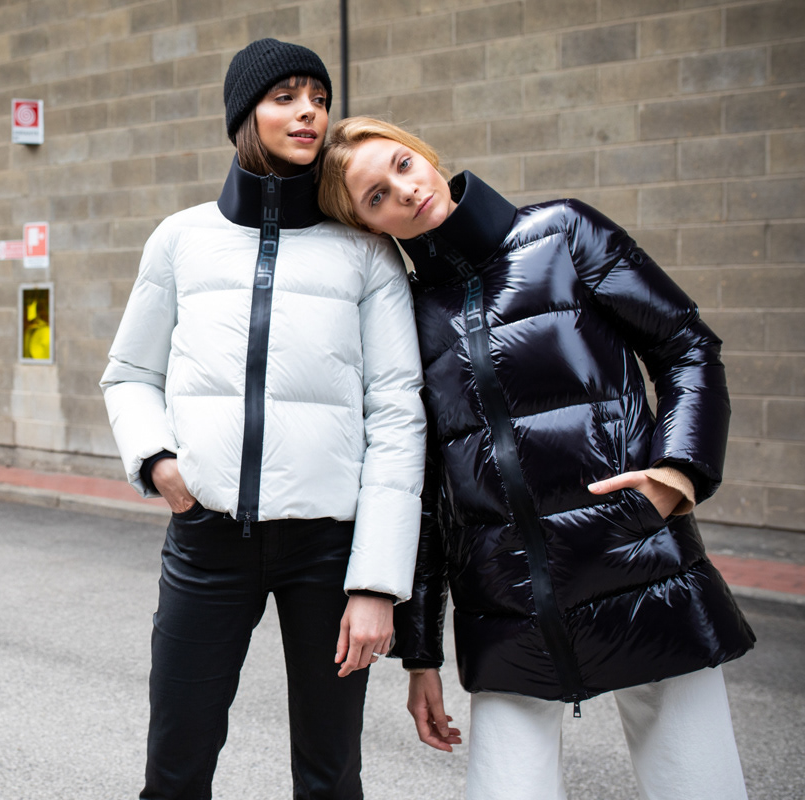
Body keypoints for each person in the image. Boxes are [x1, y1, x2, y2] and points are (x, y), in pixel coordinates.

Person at [317, 116, 756, 800]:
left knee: (700, 788)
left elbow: (687, 347)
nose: (403, 191)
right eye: (375, 197)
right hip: (505, 605)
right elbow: (425, 490)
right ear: (368, 227)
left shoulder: (564, 233)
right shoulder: (407, 311)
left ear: (424, 155)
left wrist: (677, 474)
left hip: (639, 562)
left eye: (402, 165)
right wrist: (421, 655)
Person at [101, 43, 427, 799]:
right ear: (244, 115)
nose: (309, 111)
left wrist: (376, 582)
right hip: (207, 537)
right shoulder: (181, 239)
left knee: (329, 775)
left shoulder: (366, 253)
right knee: (175, 767)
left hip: (329, 550)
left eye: (319, 97)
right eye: (286, 96)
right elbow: (131, 375)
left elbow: (396, 415)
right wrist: (159, 464)